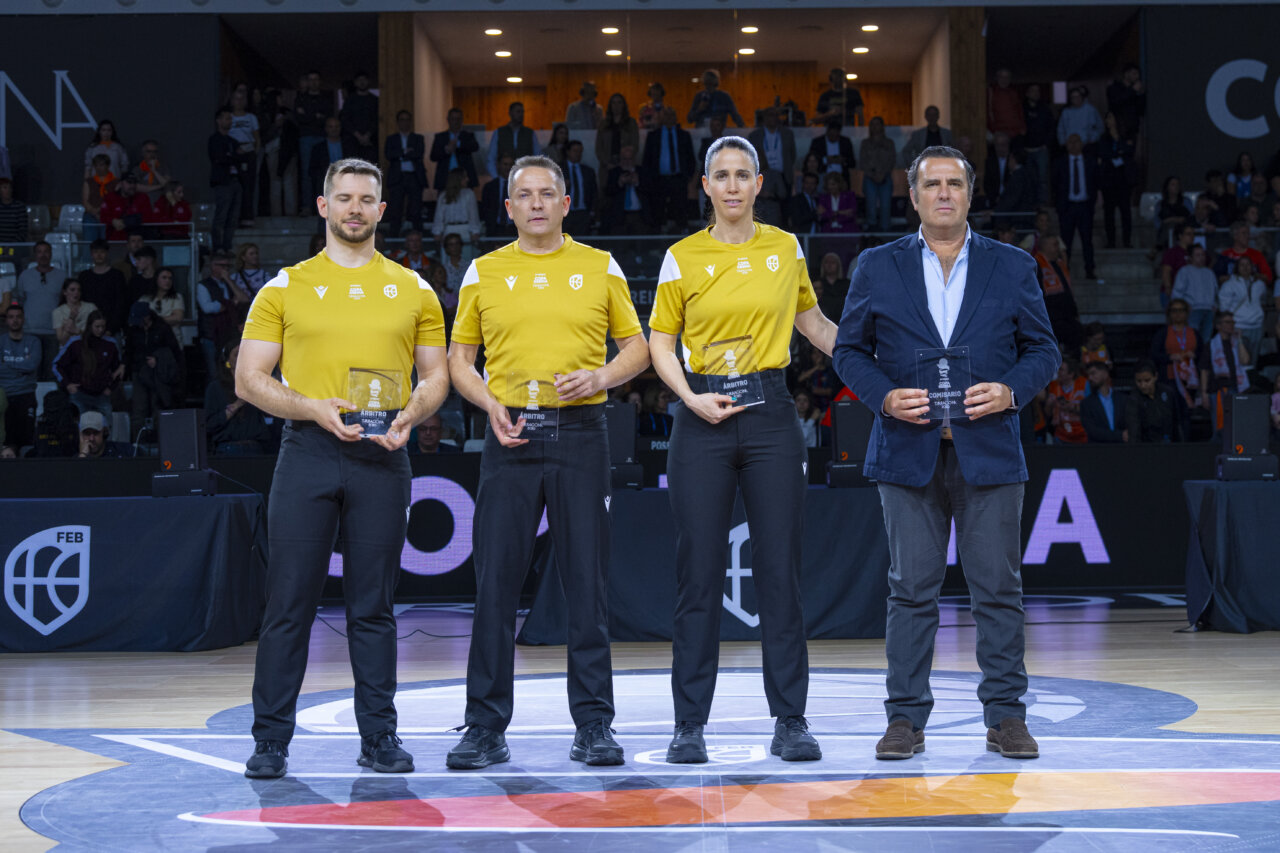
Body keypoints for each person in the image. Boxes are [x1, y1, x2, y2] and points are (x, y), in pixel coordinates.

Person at [832, 145, 1060, 761]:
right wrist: (883, 398)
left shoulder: (1012, 266)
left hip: (989, 451)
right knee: (910, 591)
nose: (943, 193)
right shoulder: (877, 266)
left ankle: (1006, 716)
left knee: (998, 590)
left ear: (969, 192)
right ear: (912, 196)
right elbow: (848, 351)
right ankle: (905, 719)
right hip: (908, 453)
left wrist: (1012, 388)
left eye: (954, 183)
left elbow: (1044, 351)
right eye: (931, 184)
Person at [236, 157, 449, 779]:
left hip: (384, 455)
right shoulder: (284, 286)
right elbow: (249, 380)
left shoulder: (414, 288)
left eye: (367, 200)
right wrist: (308, 406)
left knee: (374, 607)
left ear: (383, 212)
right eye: (344, 198)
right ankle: (271, 739)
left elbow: (436, 376)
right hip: (308, 450)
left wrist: (412, 413)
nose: (355, 208)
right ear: (324, 208)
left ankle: (380, 737)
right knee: (289, 603)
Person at [445, 154, 648, 770]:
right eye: (524, 195)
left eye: (547, 193)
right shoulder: (483, 271)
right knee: (495, 585)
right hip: (509, 434)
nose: (536, 203)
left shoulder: (598, 264)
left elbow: (638, 349)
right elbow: (459, 360)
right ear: (507, 208)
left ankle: (593, 726)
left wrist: (600, 377)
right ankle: (484, 727)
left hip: (582, 432)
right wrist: (488, 404)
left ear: (566, 203)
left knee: (586, 584)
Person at [649, 135, 838, 765]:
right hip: (700, 416)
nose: (732, 186)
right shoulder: (680, 256)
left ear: (760, 184)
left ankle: (791, 720)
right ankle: (688, 726)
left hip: (771, 417)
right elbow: (660, 343)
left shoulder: (785, 248)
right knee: (697, 575)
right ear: (705, 186)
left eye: (743, 175)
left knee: (780, 574)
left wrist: (879, 363)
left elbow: (814, 327)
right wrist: (687, 399)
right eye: (721, 176)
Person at [206, 340, 270, 455]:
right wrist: (237, 405)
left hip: (255, 447)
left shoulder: (257, 383)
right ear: (227, 361)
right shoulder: (215, 388)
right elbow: (210, 424)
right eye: (237, 354)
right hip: (228, 448)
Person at [124, 302, 183, 427]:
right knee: (139, 408)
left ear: (147, 317)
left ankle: (159, 441)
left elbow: (173, 352)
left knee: (158, 406)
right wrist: (125, 365)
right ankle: (138, 441)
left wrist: (158, 359)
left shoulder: (162, 328)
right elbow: (129, 350)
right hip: (139, 371)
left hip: (158, 373)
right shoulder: (133, 330)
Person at [54, 310, 121, 419]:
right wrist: (67, 384)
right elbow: (57, 365)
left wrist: (111, 388)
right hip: (79, 394)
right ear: (90, 326)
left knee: (106, 430)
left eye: (103, 327)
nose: (100, 330)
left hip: (102, 395)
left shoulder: (111, 344)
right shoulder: (76, 342)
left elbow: (118, 369)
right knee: (79, 431)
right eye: (97, 326)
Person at [643, 107, 695, 233]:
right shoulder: (653, 136)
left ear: (676, 118)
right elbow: (647, 159)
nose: (669, 118)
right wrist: (650, 179)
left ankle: (681, 240)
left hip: (678, 179)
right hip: (658, 180)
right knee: (657, 212)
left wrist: (687, 177)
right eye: (666, 115)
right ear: (661, 117)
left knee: (680, 211)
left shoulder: (684, 135)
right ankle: (656, 244)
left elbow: (690, 159)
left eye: (672, 115)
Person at [1053, 134, 1098, 279]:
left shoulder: (1090, 161)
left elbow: (1095, 182)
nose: (1073, 145)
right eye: (1070, 142)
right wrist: (1059, 206)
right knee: (1066, 241)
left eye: (1076, 141)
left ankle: (1090, 269)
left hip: (1085, 205)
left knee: (1087, 240)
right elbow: (1055, 184)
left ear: (1081, 143)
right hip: (1068, 206)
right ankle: (1064, 270)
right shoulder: (1061, 162)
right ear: (1066, 144)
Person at [1198, 311, 1250, 432]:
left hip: (1236, 388)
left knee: (1237, 425)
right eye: (1227, 322)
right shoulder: (1211, 345)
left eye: (1232, 322)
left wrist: (1240, 339)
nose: (1231, 325)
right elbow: (1204, 370)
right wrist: (1204, 393)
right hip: (1217, 390)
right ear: (1218, 325)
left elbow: (1245, 360)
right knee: (1219, 424)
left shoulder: (1236, 343)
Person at [1, 303, 40, 450]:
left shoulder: (34, 341)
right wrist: (23, 365)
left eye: (18, 317)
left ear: (24, 319)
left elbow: (32, 365)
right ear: (6, 321)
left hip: (26, 394)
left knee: (27, 440)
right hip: (5, 395)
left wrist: (6, 364)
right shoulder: (1, 341)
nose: (15, 320)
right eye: (11, 317)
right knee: (7, 441)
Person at [1097, 111, 1137, 249]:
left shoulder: (1126, 136)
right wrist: (1118, 153)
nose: (1108, 120)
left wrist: (1119, 153)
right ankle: (1111, 241)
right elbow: (1104, 154)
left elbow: (1129, 152)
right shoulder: (1104, 139)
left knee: (1126, 213)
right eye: (1107, 118)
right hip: (1109, 182)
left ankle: (1127, 241)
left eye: (1110, 117)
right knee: (1109, 214)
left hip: (1124, 181)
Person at [384, 109, 426, 236]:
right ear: (398, 122)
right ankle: (394, 238)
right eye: (402, 120)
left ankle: (417, 236)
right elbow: (389, 155)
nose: (405, 123)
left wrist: (400, 154)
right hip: (397, 177)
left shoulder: (418, 138)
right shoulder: (391, 139)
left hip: (414, 176)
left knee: (415, 210)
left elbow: (419, 153)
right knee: (395, 209)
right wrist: (405, 152)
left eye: (407, 120)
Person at [1217, 255, 1267, 362]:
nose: (1245, 267)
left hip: (1257, 326)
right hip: (1239, 326)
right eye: (1242, 265)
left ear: (1252, 267)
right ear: (1237, 267)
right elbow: (1224, 308)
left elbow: (1262, 302)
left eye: (1248, 264)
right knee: (1239, 360)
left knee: (1254, 361)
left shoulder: (1260, 284)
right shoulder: (1229, 285)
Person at [209, 108, 242, 251]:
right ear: (218, 120)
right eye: (226, 118)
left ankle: (227, 247)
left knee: (233, 217)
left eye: (230, 118)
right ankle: (217, 247)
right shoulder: (214, 140)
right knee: (221, 216)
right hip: (222, 182)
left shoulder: (233, 141)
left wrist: (232, 156)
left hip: (235, 180)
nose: (229, 121)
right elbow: (219, 158)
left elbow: (242, 157)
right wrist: (233, 156)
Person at [1171, 244, 1218, 345]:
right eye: (1198, 255)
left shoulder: (1209, 273)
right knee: (1192, 340)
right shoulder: (1184, 271)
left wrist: (1215, 305)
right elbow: (1177, 293)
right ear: (1190, 257)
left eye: (1202, 255)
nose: (1201, 258)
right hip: (1193, 310)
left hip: (1208, 310)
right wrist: (1184, 307)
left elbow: (1215, 292)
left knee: (1206, 340)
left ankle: (1203, 360)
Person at [595, 93, 640, 190]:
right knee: (607, 196)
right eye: (613, 103)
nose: (616, 106)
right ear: (610, 106)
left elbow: (635, 145)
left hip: (626, 166)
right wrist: (607, 163)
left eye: (619, 103)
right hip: (607, 167)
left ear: (624, 105)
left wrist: (623, 162)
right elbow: (599, 148)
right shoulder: (604, 124)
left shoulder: (631, 123)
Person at [859, 117, 896, 232]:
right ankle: (872, 231)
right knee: (871, 206)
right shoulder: (865, 143)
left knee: (886, 206)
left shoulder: (889, 143)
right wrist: (872, 175)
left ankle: (885, 231)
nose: (875, 127)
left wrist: (883, 174)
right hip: (870, 178)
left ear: (882, 126)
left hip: (885, 177)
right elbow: (862, 161)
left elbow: (892, 160)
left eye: (878, 124)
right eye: (873, 124)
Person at [430, 107, 480, 193]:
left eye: (458, 119)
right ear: (448, 120)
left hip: (464, 177)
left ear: (462, 120)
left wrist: (458, 144)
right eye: (453, 119)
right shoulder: (440, 137)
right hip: (445, 177)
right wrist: (446, 150)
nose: (455, 122)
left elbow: (475, 147)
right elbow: (433, 156)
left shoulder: (468, 135)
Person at [485, 101, 541, 179]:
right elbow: (491, 158)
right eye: (518, 112)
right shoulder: (499, 132)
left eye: (522, 112)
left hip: (525, 177)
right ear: (510, 113)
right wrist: (496, 178)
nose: (521, 115)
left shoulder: (530, 133)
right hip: (504, 177)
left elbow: (538, 156)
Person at [1125, 360, 1176, 443]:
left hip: (1170, 444)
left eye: (1147, 380)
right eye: (1139, 381)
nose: (1143, 385)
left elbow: (1177, 422)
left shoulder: (1167, 392)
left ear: (1155, 376)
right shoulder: (1134, 399)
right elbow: (1134, 430)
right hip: (1147, 448)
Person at [431, 167, 482, 246]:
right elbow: (439, 217)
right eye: (465, 177)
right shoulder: (443, 195)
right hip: (448, 231)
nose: (467, 179)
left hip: (465, 230)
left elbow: (473, 215)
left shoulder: (469, 193)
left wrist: (475, 232)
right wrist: (437, 233)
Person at [1080, 361, 1126, 443]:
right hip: (1098, 450)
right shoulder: (1086, 404)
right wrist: (1120, 435)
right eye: (1088, 375)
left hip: (1122, 449)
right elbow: (1092, 431)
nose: (1090, 378)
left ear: (1105, 374)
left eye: (1093, 373)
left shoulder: (1122, 399)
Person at [340, 71, 379, 163]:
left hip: (371, 141)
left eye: (364, 79)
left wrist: (368, 135)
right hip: (352, 141)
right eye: (359, 80)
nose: (362, 82)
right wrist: (358, 135)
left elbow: (377, 119)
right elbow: (345, 120)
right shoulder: (349, 100)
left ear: (368, 81)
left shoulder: (374, 100)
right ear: (355, 83)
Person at [562, 139, 597, 237]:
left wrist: (591, 212)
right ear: (568, 152)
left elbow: (594, 192)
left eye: (580, 151)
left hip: (583, 213)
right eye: (575, 151)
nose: (578, 154)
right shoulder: (558, 169)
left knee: (582, 242)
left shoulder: (588, 171)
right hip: (564, 213)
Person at [807, 119, 855, 186]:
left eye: (835, 136)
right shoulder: (817, 142)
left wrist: (843, 161)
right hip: (822, 177)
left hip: (842, 178)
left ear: (839, 133)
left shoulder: (845, 142)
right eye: (831, 135)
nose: (833, 137)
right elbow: (810, 161)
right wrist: (825, 160)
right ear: (827, 132)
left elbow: (852, 162)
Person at [1161, 224, 1198, 309]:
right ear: (1180, 236)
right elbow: (1166, 271)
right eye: (1188, 234)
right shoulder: (1172, 252)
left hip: (1190, 294)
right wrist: (1168, 288)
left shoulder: (1196, 253)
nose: (1192, 236)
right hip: (1174, 292)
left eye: (1193, 234)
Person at [1056, 86, 1103, 153]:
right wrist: (1063, 143)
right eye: (1073, 97)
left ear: (1082, 97)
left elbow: (1100, 127)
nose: (1076, 99)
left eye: (1078, 96)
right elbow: (1060, 130)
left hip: (1087, 146)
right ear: (1070, 99)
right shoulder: (1065, 112)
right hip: (1070, 147)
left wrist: (1093, 139)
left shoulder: (1091, 110)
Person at [480, 154, 517, 239]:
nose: (508, 168)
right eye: (505, 164)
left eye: (510, 165)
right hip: (495, 231)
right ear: (498, 165)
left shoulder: (521, 187)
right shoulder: (489, 187)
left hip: (515, 231)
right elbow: (485, 210)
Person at [52, 279, 98, 347]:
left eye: (79, 290)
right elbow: (62, 341)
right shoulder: (58, 312)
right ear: (65, 292)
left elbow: (97, 333)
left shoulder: (90, 307)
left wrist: (77, 331)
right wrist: (71, 318)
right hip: (69, 349)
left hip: (89, 347)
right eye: (72, 290)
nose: (76, 293)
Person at [138, 266, 185, 332]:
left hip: (172, 338)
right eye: (164, 278)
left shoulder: (176, 297)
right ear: (156, 279)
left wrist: (153, 321)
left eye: (170, 278)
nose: (167, 281)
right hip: (151, 338)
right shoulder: (145, 298)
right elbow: (139, 319)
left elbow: (177, 318)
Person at [988, 68, 1024, 139]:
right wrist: (993, 130)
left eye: (1007, 77)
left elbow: (1019, 111)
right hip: (1000, 132)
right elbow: (988, 112)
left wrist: (1022, 127)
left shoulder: (1013, 93)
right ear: (997, 78)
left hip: (1015, 132)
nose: (1004, 80)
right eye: (1002, 77)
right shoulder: (991, 92)